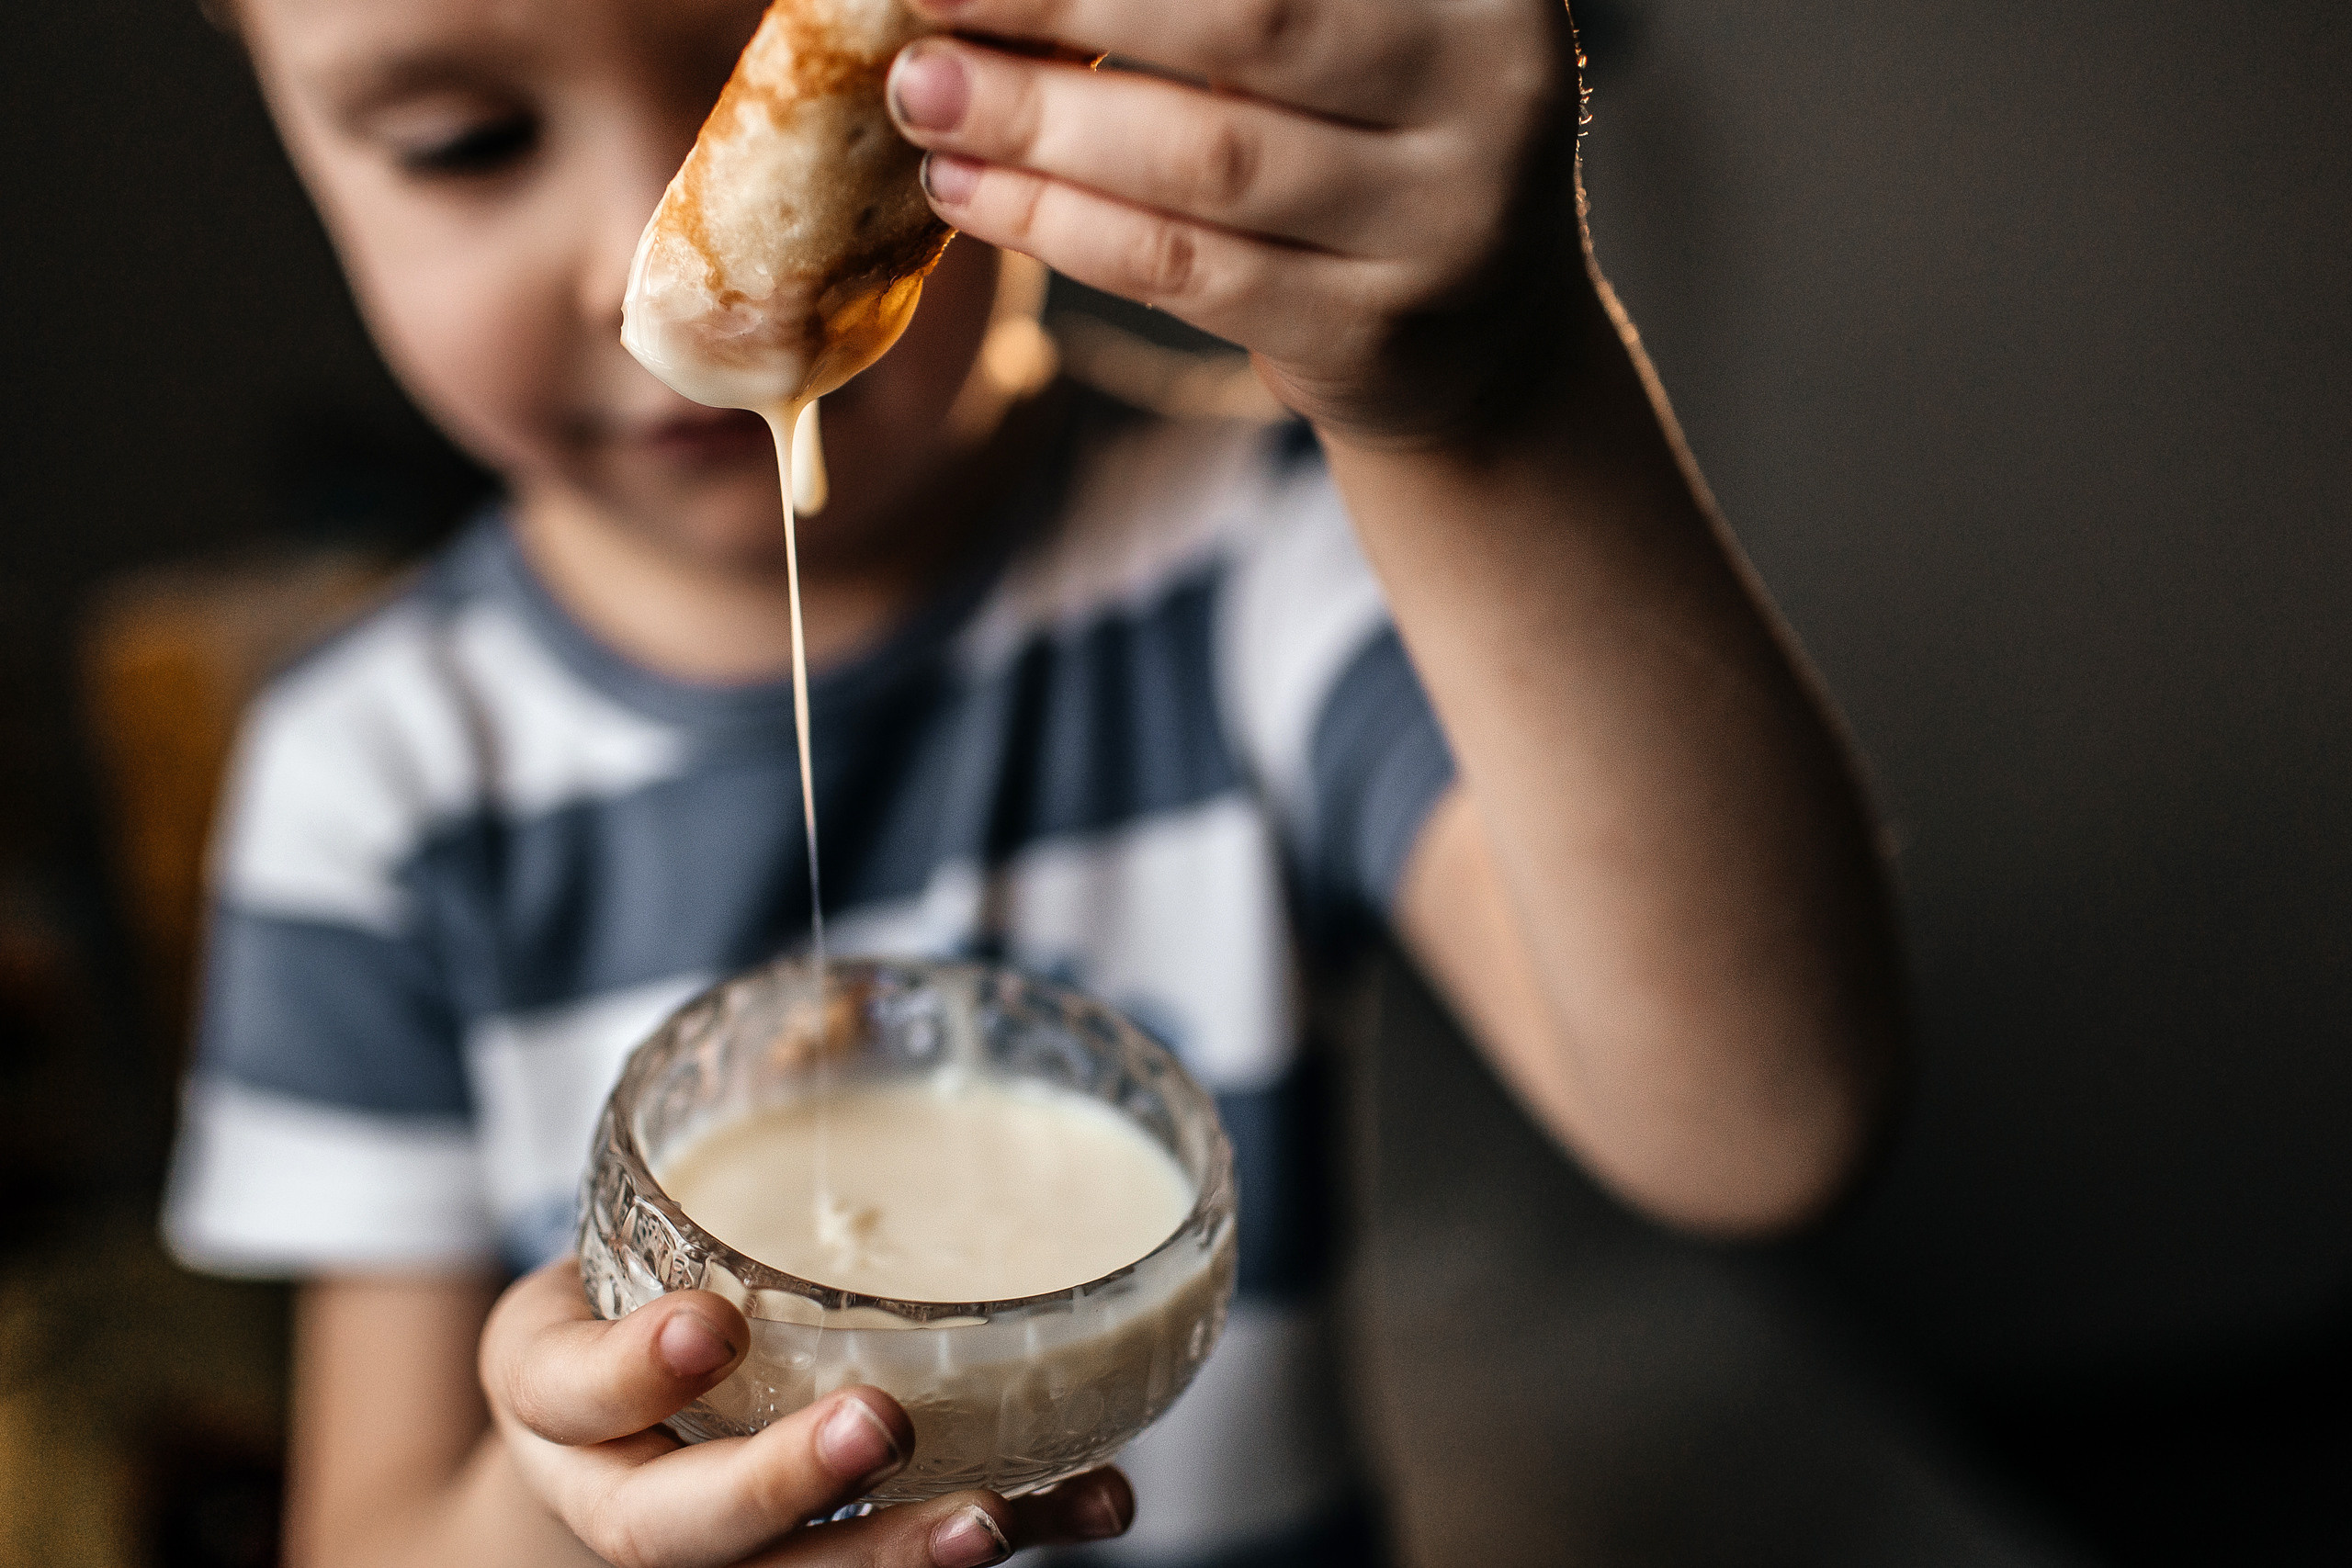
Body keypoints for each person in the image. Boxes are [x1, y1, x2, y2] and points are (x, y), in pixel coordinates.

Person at [164, 0, 1905, 1564]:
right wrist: (562, 1519)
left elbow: (1762, 1123)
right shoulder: (370, 789)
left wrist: (1486, 398)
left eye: (768, 80)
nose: (661, 250)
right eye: (465, 142)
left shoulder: (1258, 568)